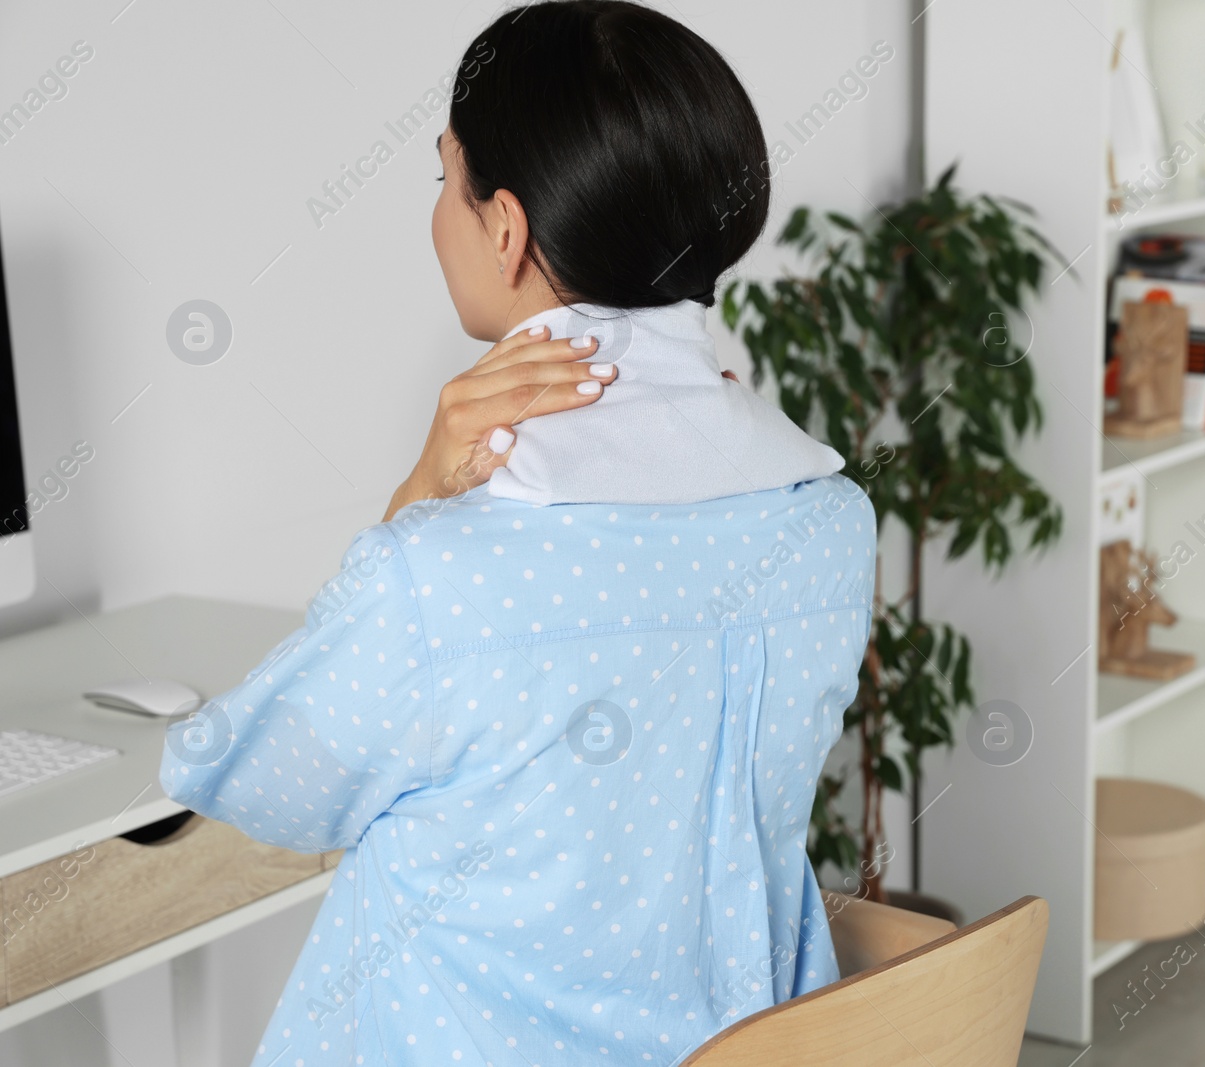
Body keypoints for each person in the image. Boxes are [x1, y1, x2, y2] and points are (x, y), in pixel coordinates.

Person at [158, 4, 875, 1064]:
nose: (437, 216)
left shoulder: (443, 570)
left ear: (504, 227)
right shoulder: (830, 521)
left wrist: (412, 496)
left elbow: (251, 779)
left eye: (442, 179)